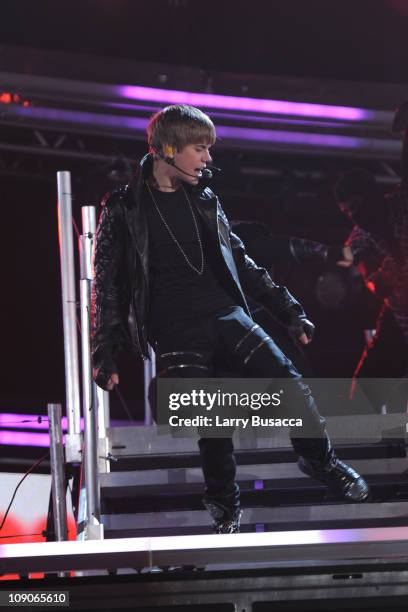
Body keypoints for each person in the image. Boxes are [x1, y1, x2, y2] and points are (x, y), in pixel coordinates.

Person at [91, 104, 369, 534]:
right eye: (199, 149)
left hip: (225, 313)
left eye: (208, 149)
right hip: (175, 328)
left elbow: (241, 259)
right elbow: (107, 284)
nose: (207, 159)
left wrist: (289, 310)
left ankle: (322, 462)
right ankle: (223, 502)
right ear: (168, 148)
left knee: (291, 385)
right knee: (211, 423)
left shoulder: (204, 199)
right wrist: (103, 349)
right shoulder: (125, 208)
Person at [335, 101, 408, 413]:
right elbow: (372, 283)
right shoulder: (358, 238)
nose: (356, 216)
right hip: (399, 319)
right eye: (348, 213)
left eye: (357, 206)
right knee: (365, 392)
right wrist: (384, 279)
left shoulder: (402, 204)